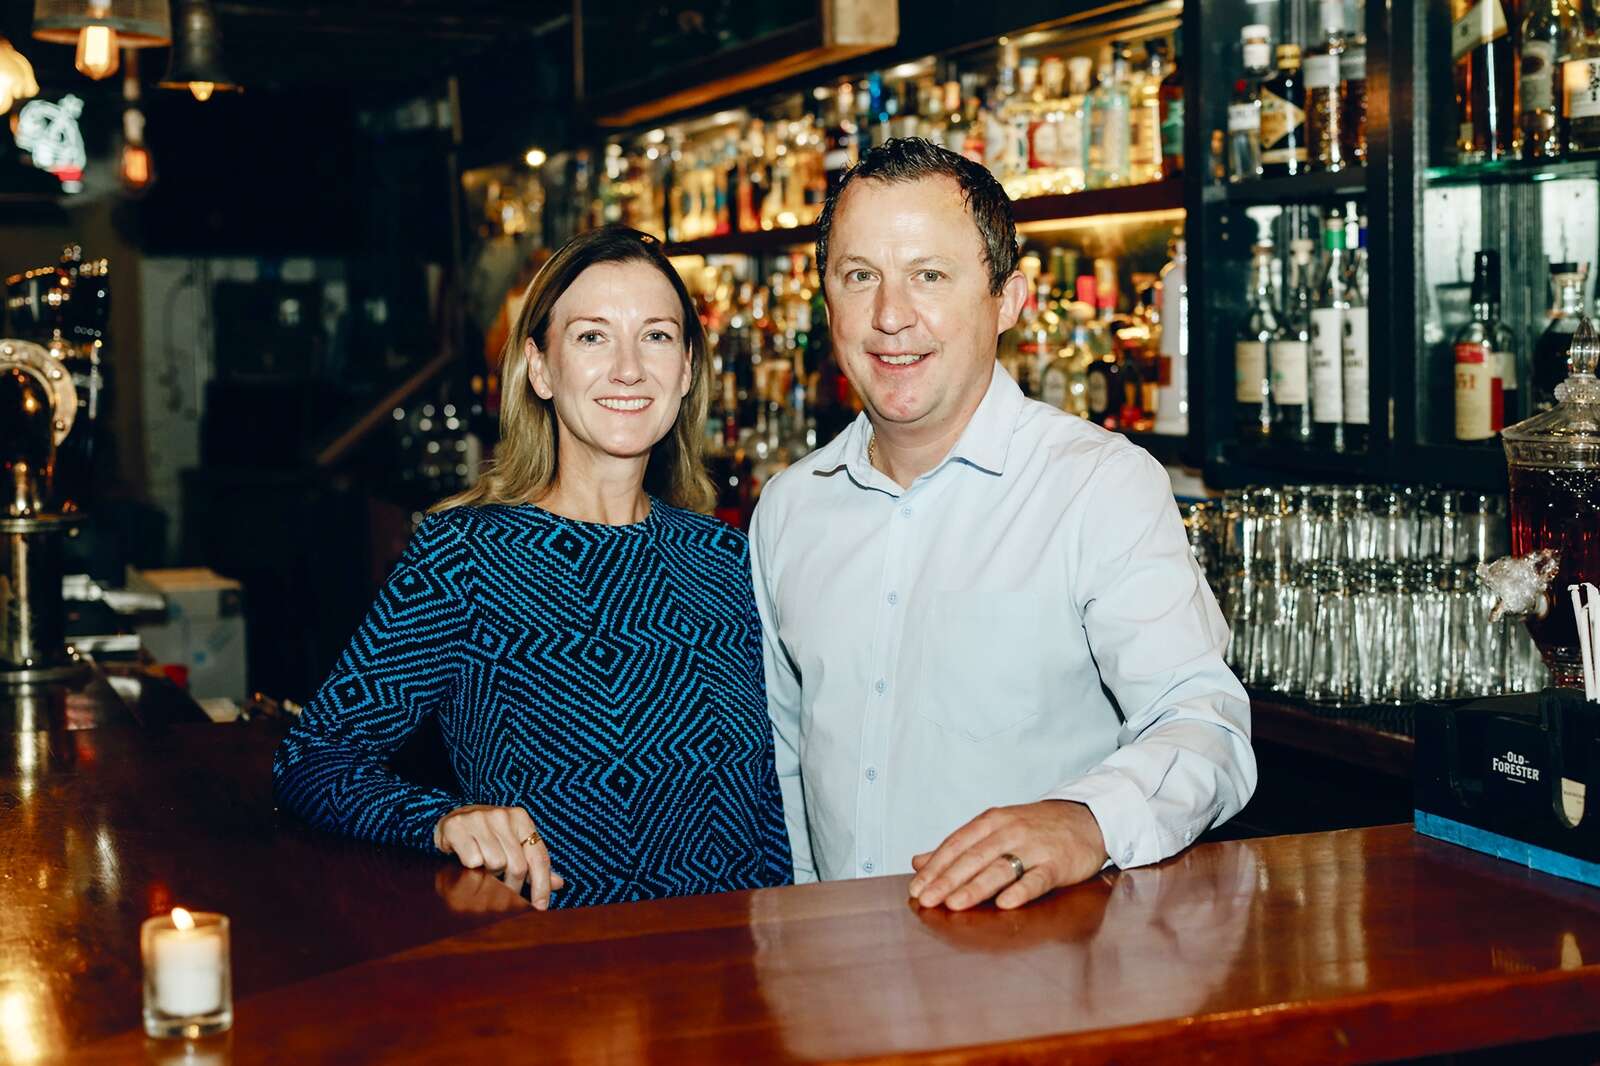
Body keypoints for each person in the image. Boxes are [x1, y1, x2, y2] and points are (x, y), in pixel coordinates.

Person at [750, 138, 1255, 911]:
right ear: (827, 304)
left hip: (1034, 982)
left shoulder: (1097, 486)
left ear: (1009, 300)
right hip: (839, 992)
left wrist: (1084, 820)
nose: (890, 317)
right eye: (860, 278)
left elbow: (1205, 726)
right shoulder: (790, 509)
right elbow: (786, 767)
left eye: (929, 276)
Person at [274, 225, 792, 910]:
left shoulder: (727, 560)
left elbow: (773, 805)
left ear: (688, 370)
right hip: (560, 984)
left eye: (657, 336)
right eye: (592, 337)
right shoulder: (466, 557)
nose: (629, 368)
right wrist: (442, 820)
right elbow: (314, 757)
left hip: (733, 983)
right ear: (540, 368)